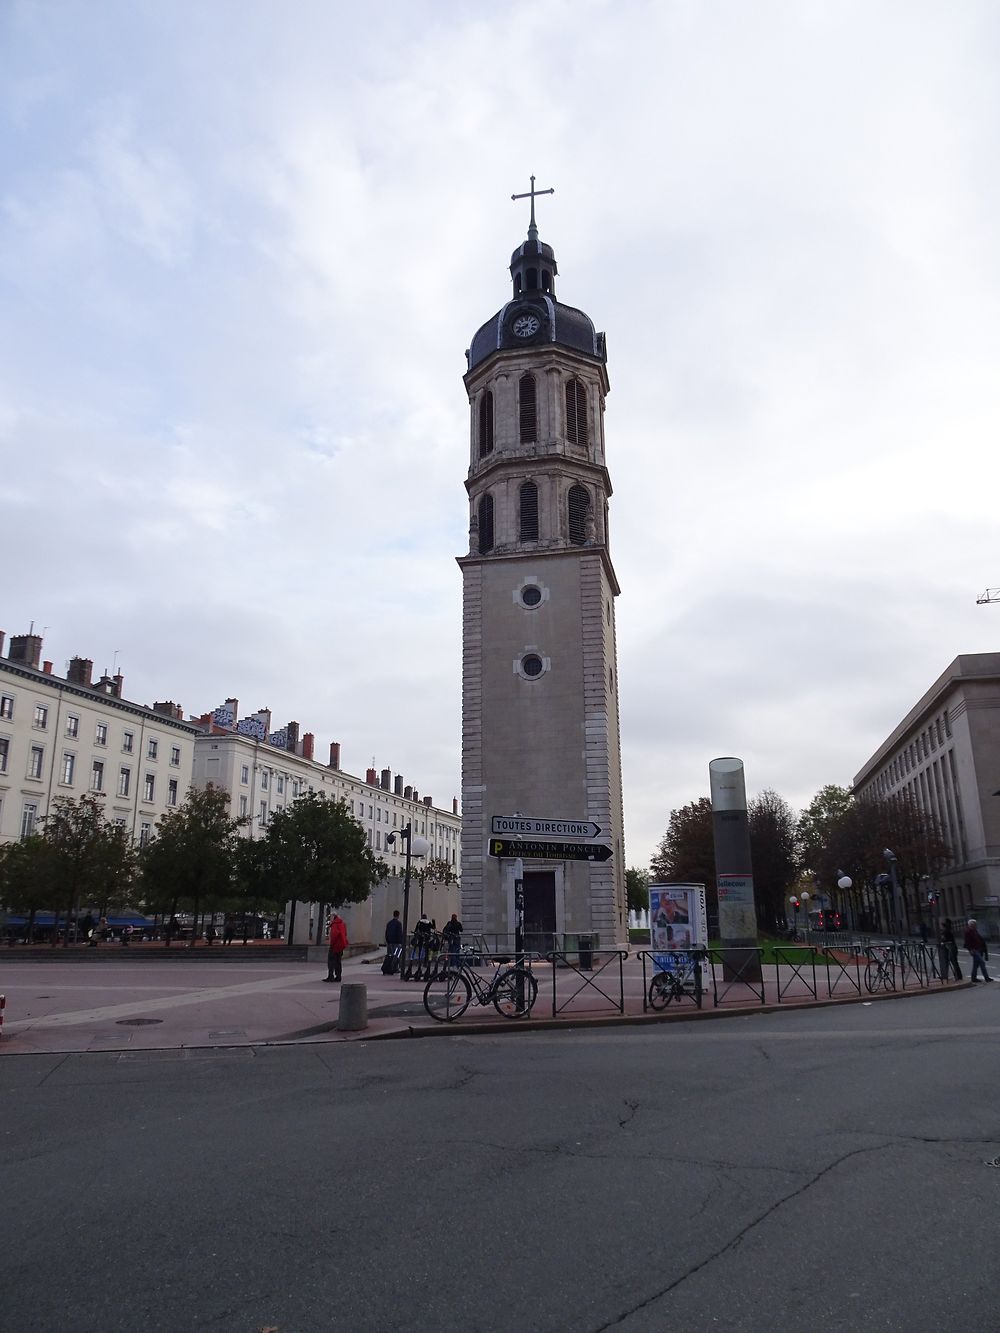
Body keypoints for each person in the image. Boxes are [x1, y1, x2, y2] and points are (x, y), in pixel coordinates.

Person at [963, 918, 992, 983]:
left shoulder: (974, 930)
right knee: (982, 963)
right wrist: (970, 949)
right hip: (974, 950)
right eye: (974, 924)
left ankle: (973, 978)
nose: (976, 925)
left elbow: (979, 939)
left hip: (978, 949)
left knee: (975, 965)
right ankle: (986, 978)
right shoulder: (968, 932)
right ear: (971, 925)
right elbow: (967, 942)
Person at [325, 913, 348, 982]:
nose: (330, 919)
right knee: (338, 961)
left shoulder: (335, 924)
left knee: (331, 961)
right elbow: (345, 933)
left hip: (335, 945)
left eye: (330, 917)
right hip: (341, 945)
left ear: (333, 917)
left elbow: (334, 935)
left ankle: (330, 976)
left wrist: (332, 944)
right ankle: (338, 976)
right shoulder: (342, 923)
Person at [382, 910, 403, 975]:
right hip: (396, 942)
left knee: (389, 955)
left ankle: (388, 967)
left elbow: (386, 933)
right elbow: (399, 933)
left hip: (389, 942)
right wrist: (400, 942)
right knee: (397, 956)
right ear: (398, 915)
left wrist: (388, 941)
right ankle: (395, 968)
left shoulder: (389, 923)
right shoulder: (399, 924)